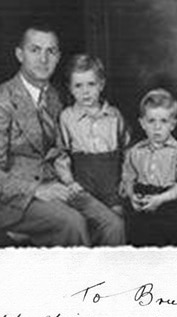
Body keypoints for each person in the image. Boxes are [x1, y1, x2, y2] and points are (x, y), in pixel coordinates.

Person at [0, 22, 125, 246]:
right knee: (72, 222)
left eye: (50, 51)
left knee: (113, 223)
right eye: (35, 50)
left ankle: (113, 280)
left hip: (59, 186)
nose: (43, 59)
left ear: (58, 56)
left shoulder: (56, 96)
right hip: (13, 203)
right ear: (19, 54)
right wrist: (37, 190)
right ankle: (83, 282)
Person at [55, 54, 129, 219]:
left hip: (112, 186)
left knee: (116, 222)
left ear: (101, 85)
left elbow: (127, 150)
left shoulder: (114, 115)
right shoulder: (67, 117)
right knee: (87, 224)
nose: (85, 92)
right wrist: (69, 182)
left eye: (91, 84)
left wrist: (126, 178)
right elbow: (61, 154)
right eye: (78, 86)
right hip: (83, 187)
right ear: (70, 88)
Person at [121, 89, 177, 246]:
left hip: (170, 202)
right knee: (140, 239)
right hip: (143, 198)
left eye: (163, 121)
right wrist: (132, 195)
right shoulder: (135, 151)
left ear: (173, 124)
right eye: (151, 121)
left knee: (170, 242)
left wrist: (160, 199)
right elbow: (128, 177)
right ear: (142, 123)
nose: (157, 127)